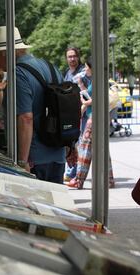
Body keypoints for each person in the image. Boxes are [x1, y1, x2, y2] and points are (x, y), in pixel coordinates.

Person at [0, 26, 66, 184]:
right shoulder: (50, 67)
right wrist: (71, 145)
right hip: (57, 155)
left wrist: (23, 162)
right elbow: (64, 108)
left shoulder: (18, 74)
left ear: (5, 52)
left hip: (34, 159)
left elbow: (25, 118)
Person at [67, 57, 115, 189]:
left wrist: (85, 103)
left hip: (94, 118)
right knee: (102, 150)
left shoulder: (99, 82)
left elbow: (96, 99)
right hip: (99, 118)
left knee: (85, 149)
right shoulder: (99, 80)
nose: (85, 69)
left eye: (87, 67)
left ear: (93, 68)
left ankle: (78, 180)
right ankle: (108, 179)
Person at [63, 47, 91, 183]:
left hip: (83, 115)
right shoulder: (67, 73)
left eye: (74, 56)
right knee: (73, 142)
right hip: (71, 113)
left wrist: (80, 84)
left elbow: (88, 94)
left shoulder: (83, 73)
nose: (72, 59)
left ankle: (73, 173)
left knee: (80, 144)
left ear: (78, 57)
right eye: (69, 56)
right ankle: (72, 171)